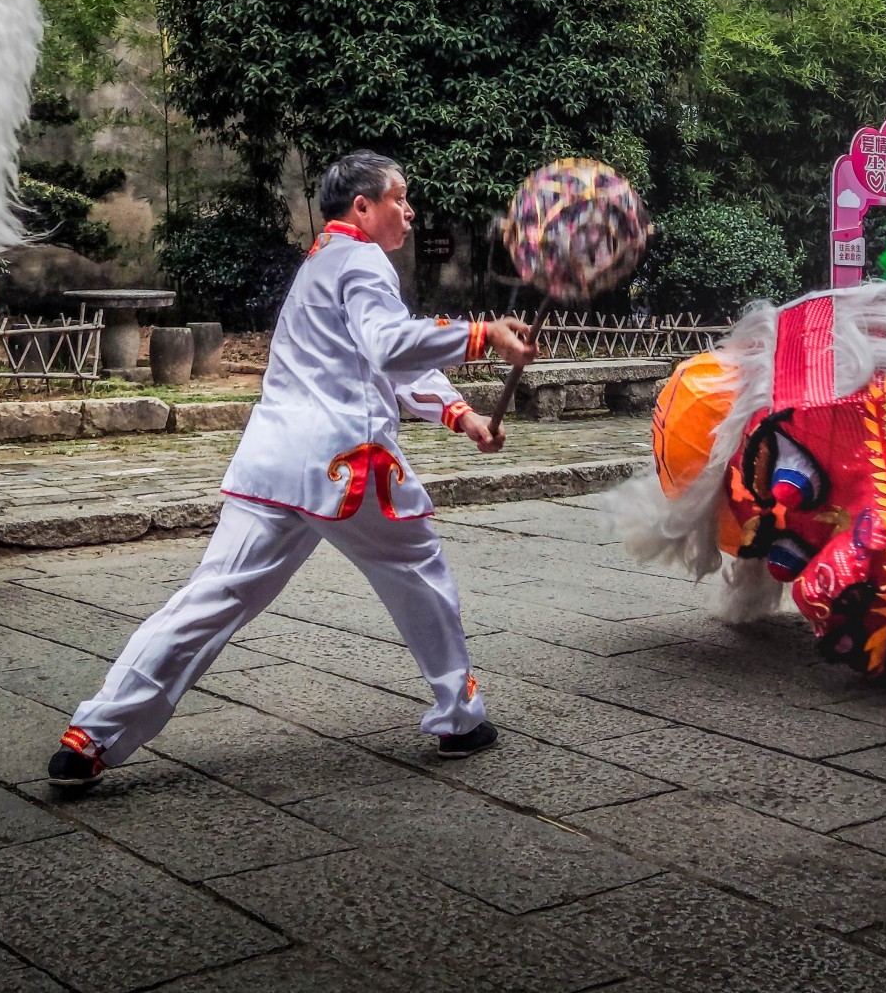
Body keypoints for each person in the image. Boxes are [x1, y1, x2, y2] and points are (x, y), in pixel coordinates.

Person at [49, 151, 535, 787]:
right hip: (342, 464)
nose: (410, 211)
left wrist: (459, 413)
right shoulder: (363, 261)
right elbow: (389, 345)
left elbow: (369, 357)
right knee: (421, 576)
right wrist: (482, 334)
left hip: (274, 463)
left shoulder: (322, 262)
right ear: (362, 206)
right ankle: (461, 718)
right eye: (399, 198)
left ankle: (91, 735)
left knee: (210, 598)